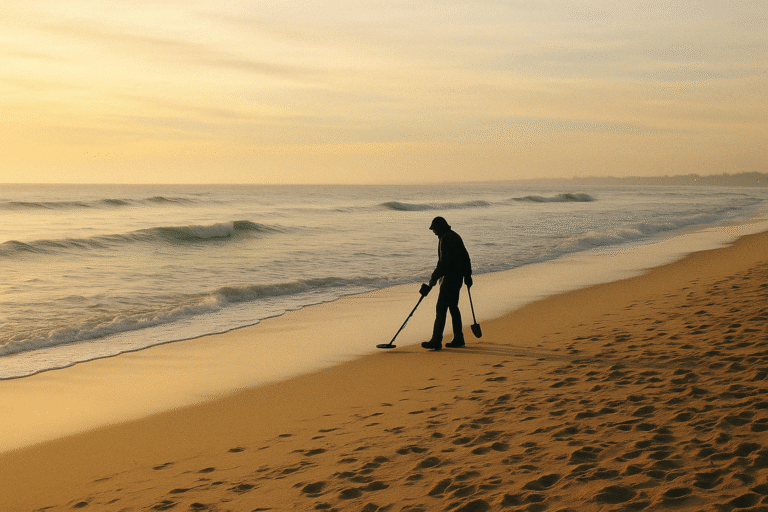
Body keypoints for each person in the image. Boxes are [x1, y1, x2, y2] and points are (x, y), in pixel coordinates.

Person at [422, 216, 472, 350]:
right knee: (453, 307)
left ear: (440, 227)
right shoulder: (455, 236)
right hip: (458, 278)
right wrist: (467, 276)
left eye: (435, 229)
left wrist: (434, 277)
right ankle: (458, 337)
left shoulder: (446, 239)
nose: (434, 232)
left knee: (441, 308)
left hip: (450, 279)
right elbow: (466, 257)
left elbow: (444, 263)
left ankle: (436, 340)